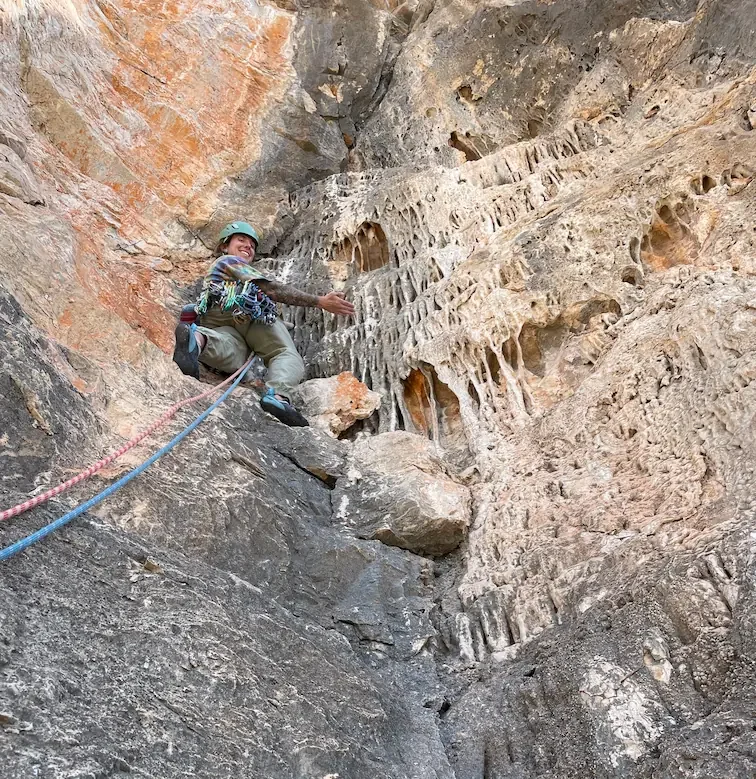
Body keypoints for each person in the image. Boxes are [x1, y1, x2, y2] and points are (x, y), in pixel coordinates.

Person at [173, 221, 355, 427]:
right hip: (249, 312)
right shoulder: (229, 261)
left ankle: (196, 340)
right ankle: (277, 395)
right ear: (224, 246)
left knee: (233, 354)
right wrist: (319, 302)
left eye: (251, 245)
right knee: (284, 354)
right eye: (241, 240)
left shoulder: (216, 273)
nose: (248, 246)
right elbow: (271, 290)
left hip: (217, 317)